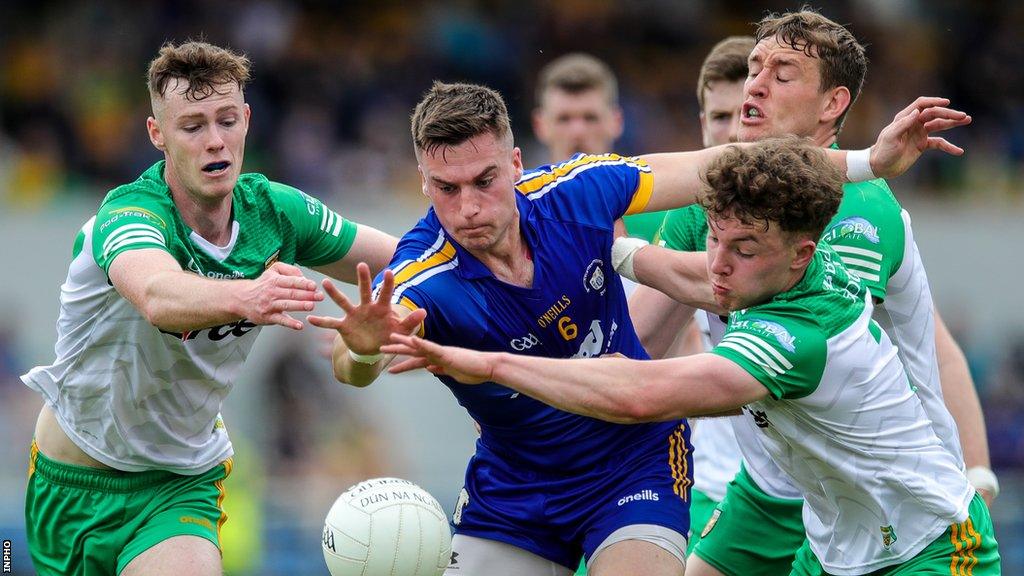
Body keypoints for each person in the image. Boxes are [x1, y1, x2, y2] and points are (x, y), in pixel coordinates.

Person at [308, 78, 969, 576]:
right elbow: (356, 360)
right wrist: (362, 353)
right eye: (445, 189)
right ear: (424, 184)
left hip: (636, 462)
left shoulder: (575, 190)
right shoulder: (421, 275)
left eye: (484, 180)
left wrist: (866, 163)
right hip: (514, 494)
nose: (468, 207)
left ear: (516, 165)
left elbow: (721, 168)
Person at [627, 10, 997, 576]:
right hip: (781, 495)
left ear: (832, 105)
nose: (756, 83)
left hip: (906, 515)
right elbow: (638, 347)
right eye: (754, 67)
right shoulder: (708, 209)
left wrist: (617, 248)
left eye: (783, 72)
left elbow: (788, 344)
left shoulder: (863, 212)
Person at [20, 41, 396, 576]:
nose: (215, 141)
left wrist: (368, 347)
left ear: (246, 119)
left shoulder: (277, 213)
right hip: (67, 487)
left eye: (226, 120)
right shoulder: (128, 214)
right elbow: (157, 294)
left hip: (179, 486)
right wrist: (249, 295)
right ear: (158, 135)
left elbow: (406, 262)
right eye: (193, 126)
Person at [632, 35, 755, 556]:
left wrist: (977, 468)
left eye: (745, 113)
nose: (732, 133)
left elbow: (929, 346)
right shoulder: (684, 214)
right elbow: (638, 346)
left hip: (837, 483)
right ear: (701, 124)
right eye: (718, 118)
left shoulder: (846, 212)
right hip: (722, 480)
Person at [532, 52, 668, 242]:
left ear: (617, 121)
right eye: (564, 119)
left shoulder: (661, 215)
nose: (577, 131)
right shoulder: (521, 214)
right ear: (540, 126)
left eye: (590, 118)